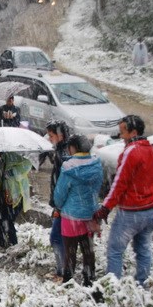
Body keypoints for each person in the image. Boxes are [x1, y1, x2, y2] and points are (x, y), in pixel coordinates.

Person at [94, 115, 153, 287]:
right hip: (148, 213)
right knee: (143, 250)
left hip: (130, 213)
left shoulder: (131, 151)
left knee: (115, 251)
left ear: (133, 132)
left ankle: (113, 289)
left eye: (123, 132)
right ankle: (142, 286)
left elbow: (119, 183)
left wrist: (105, 208)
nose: (121, 136)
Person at [53, 135, 103, 286]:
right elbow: (98, 188)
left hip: (71, 216)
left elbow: (60, 194)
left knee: (70, 252)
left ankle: (68, 281)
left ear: (73, 148)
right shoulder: (96, 165)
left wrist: (58, 207)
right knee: (88, 251)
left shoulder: (69, 168)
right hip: (90, 215)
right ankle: (89, 279)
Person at [0, 152, 32, 248]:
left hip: (18, 195)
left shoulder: (11, 157)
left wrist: (13, 172)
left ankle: (13, 244)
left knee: (7, 220)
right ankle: (1, 243)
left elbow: (28, 164)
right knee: (0, 220)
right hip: (5, 197)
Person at [46, 120, 70, 280]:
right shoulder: (62, 151)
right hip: (63, 203)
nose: (49, 139)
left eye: (51, 135)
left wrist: (57, 204)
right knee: (62, 238)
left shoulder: (64, 155)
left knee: (56, 237)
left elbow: (63, 183)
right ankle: (62, 270)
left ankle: (63, 272)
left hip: (64, 204)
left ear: (60, 135)